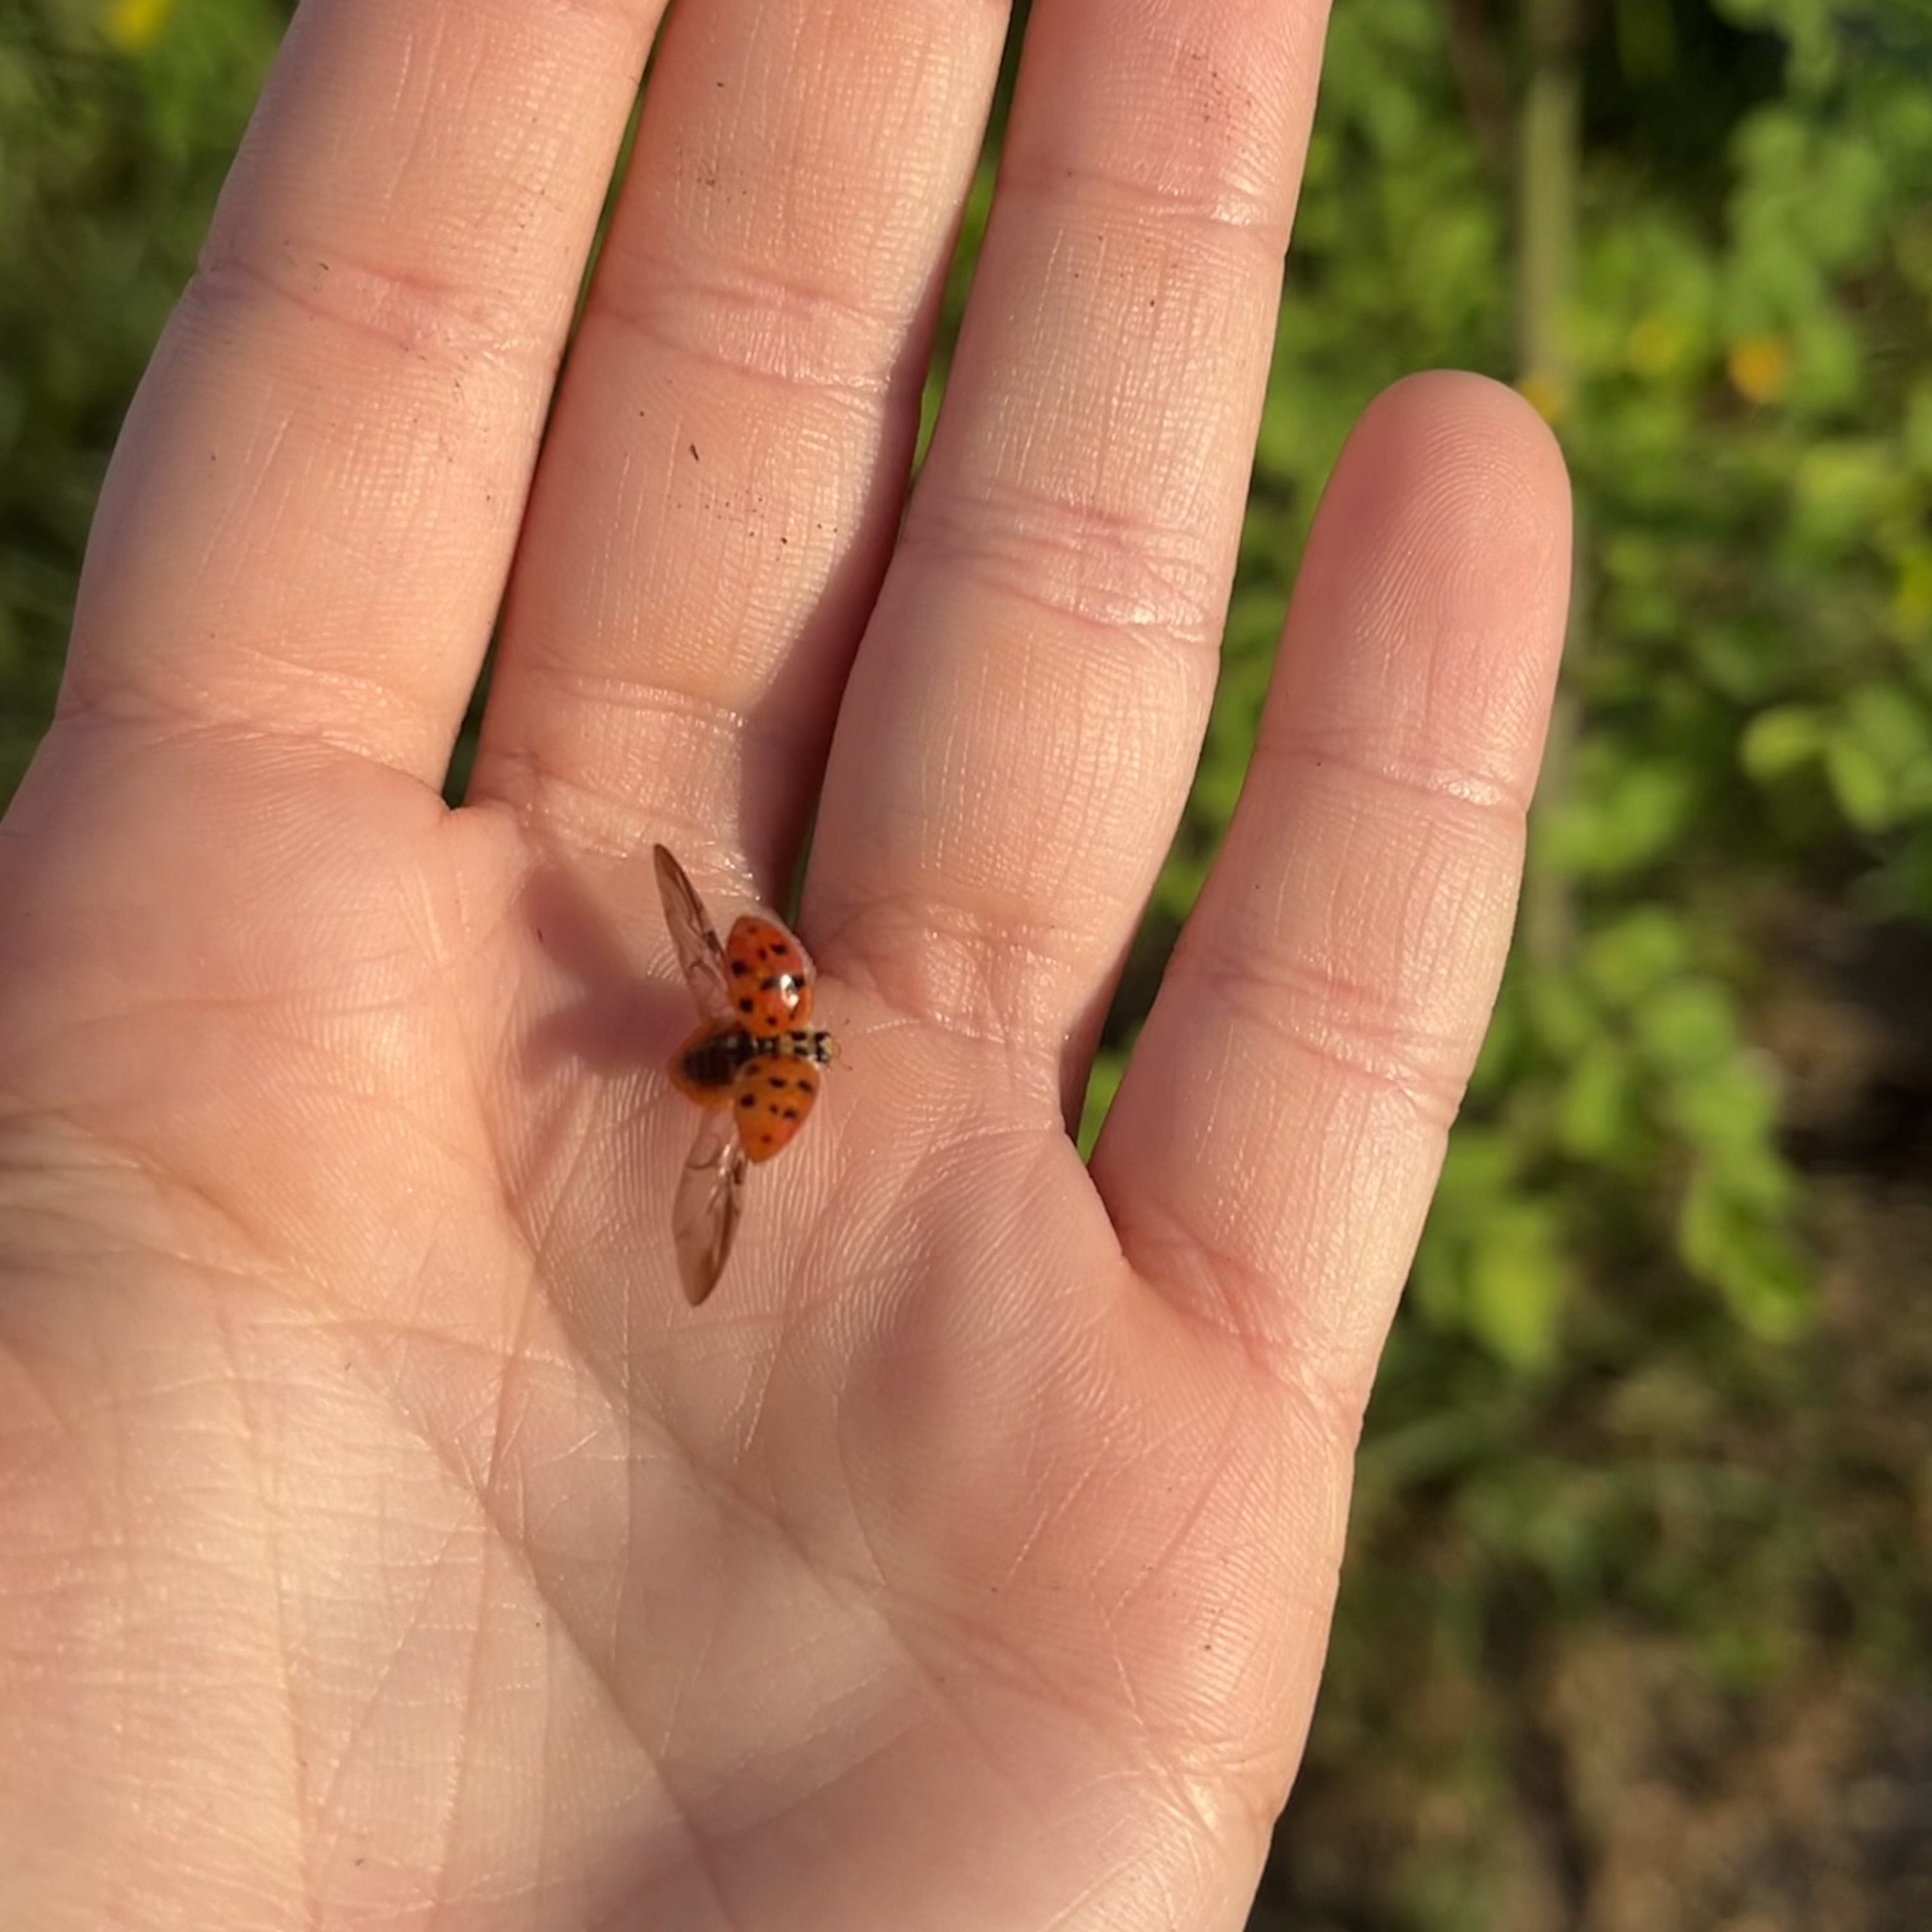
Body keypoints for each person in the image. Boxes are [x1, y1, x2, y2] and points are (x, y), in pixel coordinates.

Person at [0, 1, 1569, 1926]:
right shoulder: (736, 1053)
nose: (762, 1027)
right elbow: (718, 990)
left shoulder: (740, 1056)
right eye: (762, 1036)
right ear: (753, 1044)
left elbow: (721, 1002)